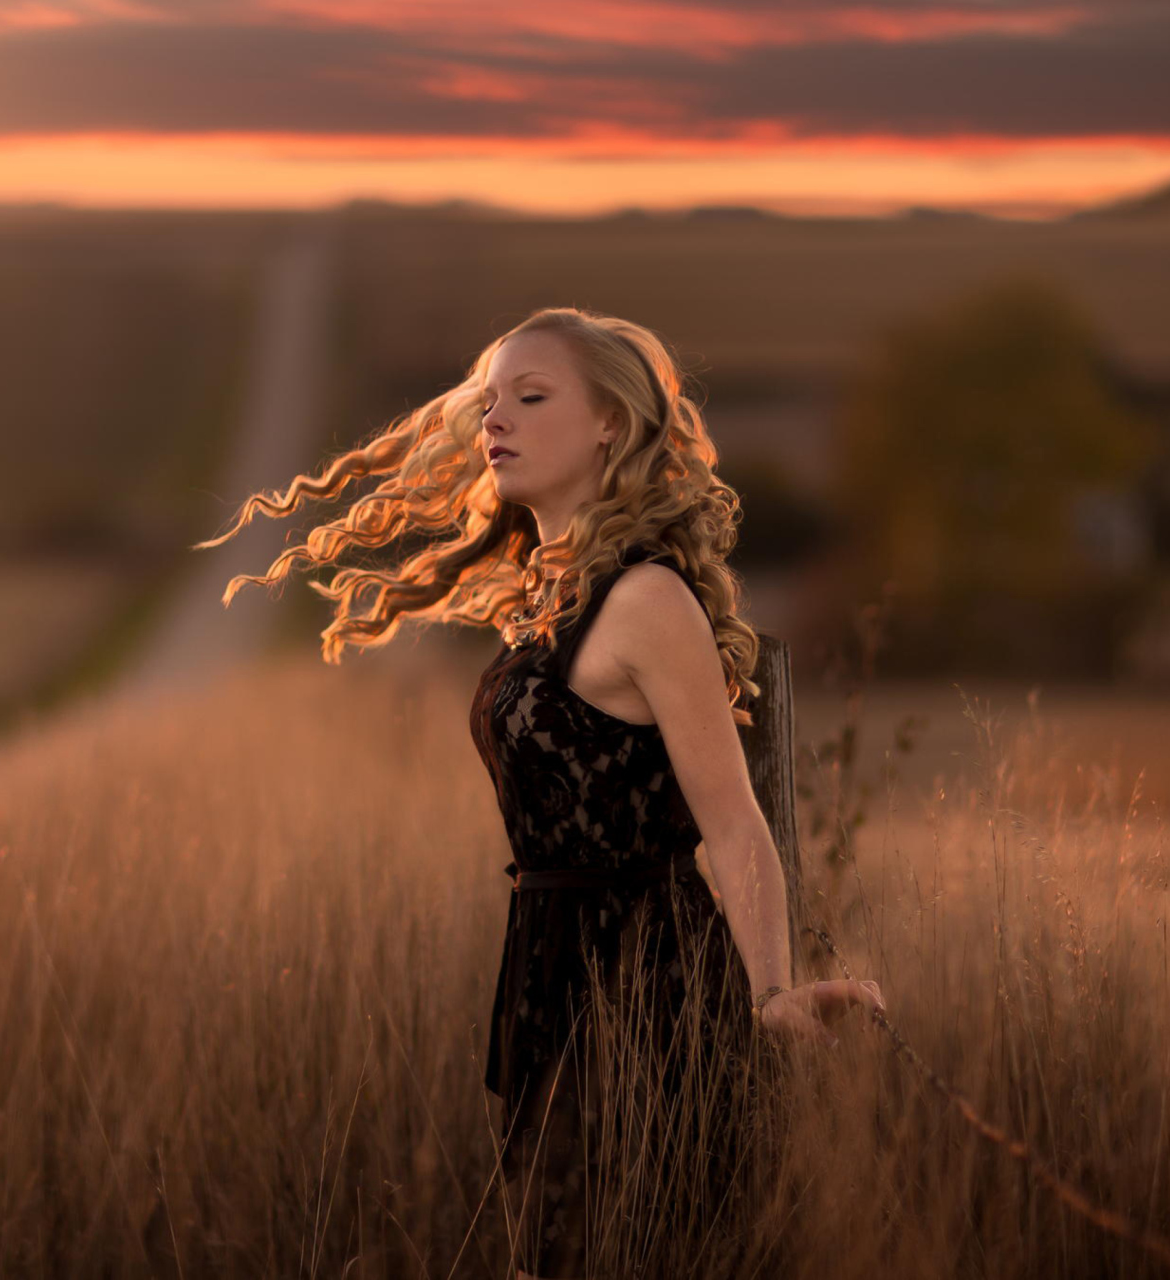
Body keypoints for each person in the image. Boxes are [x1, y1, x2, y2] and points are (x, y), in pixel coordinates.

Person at [198, 305, 886, 1279]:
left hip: (646, 984)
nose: (496, 423)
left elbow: (733, 822)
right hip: (546, 977)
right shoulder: (549, 594)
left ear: (610, 420)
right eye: (489, 404)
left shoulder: (646, 601)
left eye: (530, 396)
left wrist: (771, 989)